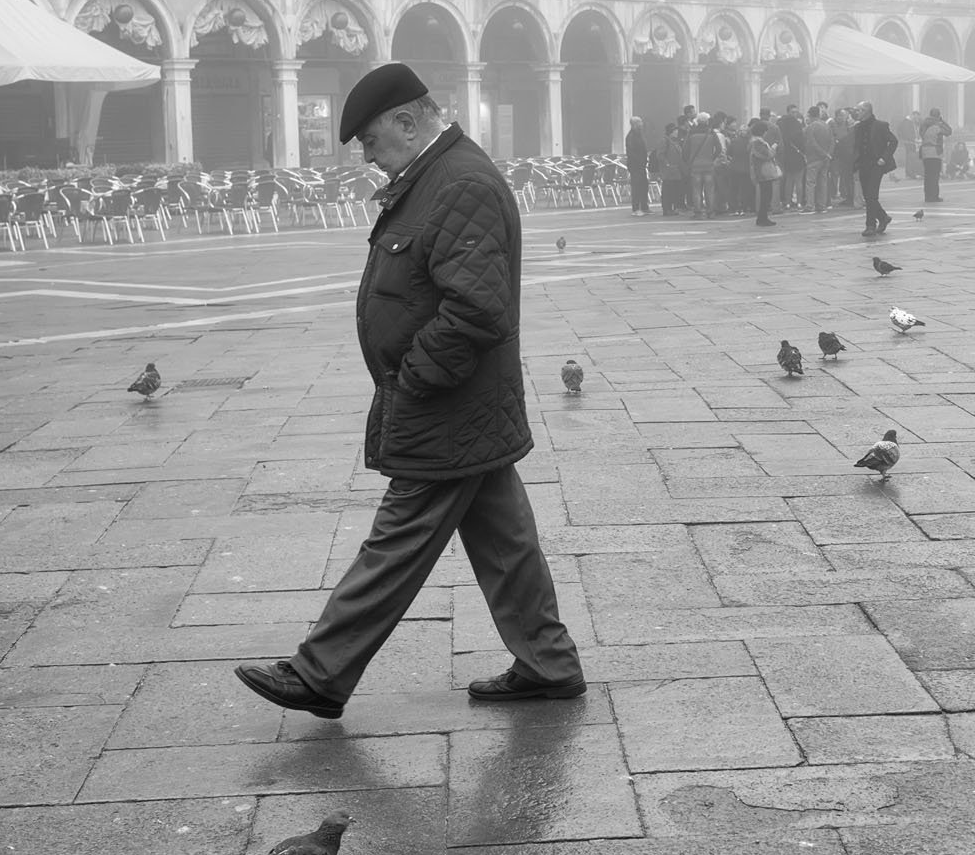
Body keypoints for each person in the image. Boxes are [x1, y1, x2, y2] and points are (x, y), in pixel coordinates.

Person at [235, 63, 583, 720]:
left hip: (448, 404)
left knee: (397, 539)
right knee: (503, 537)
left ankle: (320, 672)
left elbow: (477, 309)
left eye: (370, 140)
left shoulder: (460, 184)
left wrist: (415, 375)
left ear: (407, 121)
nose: (366, 155)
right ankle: (549, 662)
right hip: (460, 404)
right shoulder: (433, 178)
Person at [854, 101, 899, 236]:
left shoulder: (880, 125)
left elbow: (893, 141)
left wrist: (884, 158)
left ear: (866, 111)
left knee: (872, 195)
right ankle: (883, 217)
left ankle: (870, 225)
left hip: (876, 165)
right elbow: (856, 147)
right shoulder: (858, 127)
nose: (857, 113)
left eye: (859, 110)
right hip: (863, 164)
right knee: (868, 196)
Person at [685, 114, 722, 218]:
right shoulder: (711, 133)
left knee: (696, 190)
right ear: (707, 121)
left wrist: (689, 160)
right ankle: (710, 212)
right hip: (708, 165)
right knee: (709, 189)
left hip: (695, 166)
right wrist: (712, 158)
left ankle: (698, 212)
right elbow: (719, 149)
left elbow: (685, 150)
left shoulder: (691, 133)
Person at [747, 117, 780, 226]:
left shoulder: (754, 142)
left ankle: (763, 217)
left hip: (761, 170)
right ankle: (762, 218)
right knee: (766, 195)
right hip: (763, 171)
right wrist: (773, 148)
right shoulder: (758, 143)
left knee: (766, 194)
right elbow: (767, 155)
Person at [803, 105, 834, 214]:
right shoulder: (826, 126)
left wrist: (823, 154)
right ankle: (822, 205)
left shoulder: (811, 127)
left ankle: (809, 206)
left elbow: (811, 143)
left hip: (814, 158)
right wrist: (828, 154)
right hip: (826, 159)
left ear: (809, 115)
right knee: (823, 182)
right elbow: (832, 141)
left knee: (810, 183)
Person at [777, 104, 806, 210]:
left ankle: (787, 202)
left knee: (789, 180)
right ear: (788, 112)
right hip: (797, 155)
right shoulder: (797, 125)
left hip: (787, 155)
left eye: (796, 112)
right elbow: (801, 141)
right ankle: (799, 202)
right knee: (798, 180)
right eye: (793, 112)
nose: (795, 114)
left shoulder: (781, 123)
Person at [918, 107, 951, 203]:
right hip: (935, 153)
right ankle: (934, 196)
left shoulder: (924, 124)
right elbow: (949, 131)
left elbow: (921, 134)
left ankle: (927, 196)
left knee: (928, 175)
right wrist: (942, 121)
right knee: (935, 176)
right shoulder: (938, 126)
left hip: (925, 152)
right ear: (938, 115)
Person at [657, 121, 687, 216]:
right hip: (669, 171)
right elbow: (660, 155)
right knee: (667, 191)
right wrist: (667, 164)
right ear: (671, 131)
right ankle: (667, 209)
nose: (677, 132)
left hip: (675, 171)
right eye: (675, 131)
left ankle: (673, 208)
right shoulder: (665, 141)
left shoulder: (675, 141)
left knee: (674, 190)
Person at [830, 108, 857, 207]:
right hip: (839, 155)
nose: (844, 118)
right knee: (842, 176)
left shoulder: (852, 127)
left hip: (849, 156)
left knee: (849, 178)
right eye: (842, 115)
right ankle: (846, 195)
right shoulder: (832, 124)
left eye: (846, 116)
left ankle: (850, 197)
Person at [624, 115, 650, 214]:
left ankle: (644, 207)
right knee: (636, 187)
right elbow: (631, 152)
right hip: (635, 166)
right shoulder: (630, 137)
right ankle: (636, 208)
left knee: (644, 186)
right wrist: (639, 161)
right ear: (634, 124)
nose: (641, 124)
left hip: (642, 165)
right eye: (640, 122)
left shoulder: (640, 135)